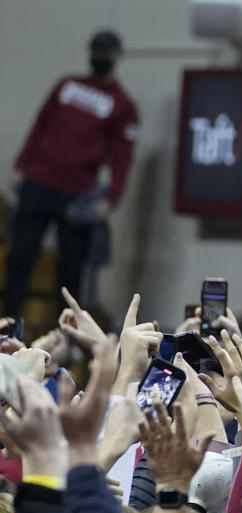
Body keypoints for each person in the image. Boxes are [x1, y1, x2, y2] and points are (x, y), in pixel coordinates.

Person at [5, 30, 138, 317]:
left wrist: (111, 198)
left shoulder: (122, 105)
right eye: (96, 50)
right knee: (19, 259)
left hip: (77, 195)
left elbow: (122, 158)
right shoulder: (67, 85)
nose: (99, 57)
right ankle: (7, 327)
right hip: (38, 182)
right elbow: (40, 125)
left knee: (70, 272)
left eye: (105, 52)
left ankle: (64, 339)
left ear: (115, 57)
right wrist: (21, 165)